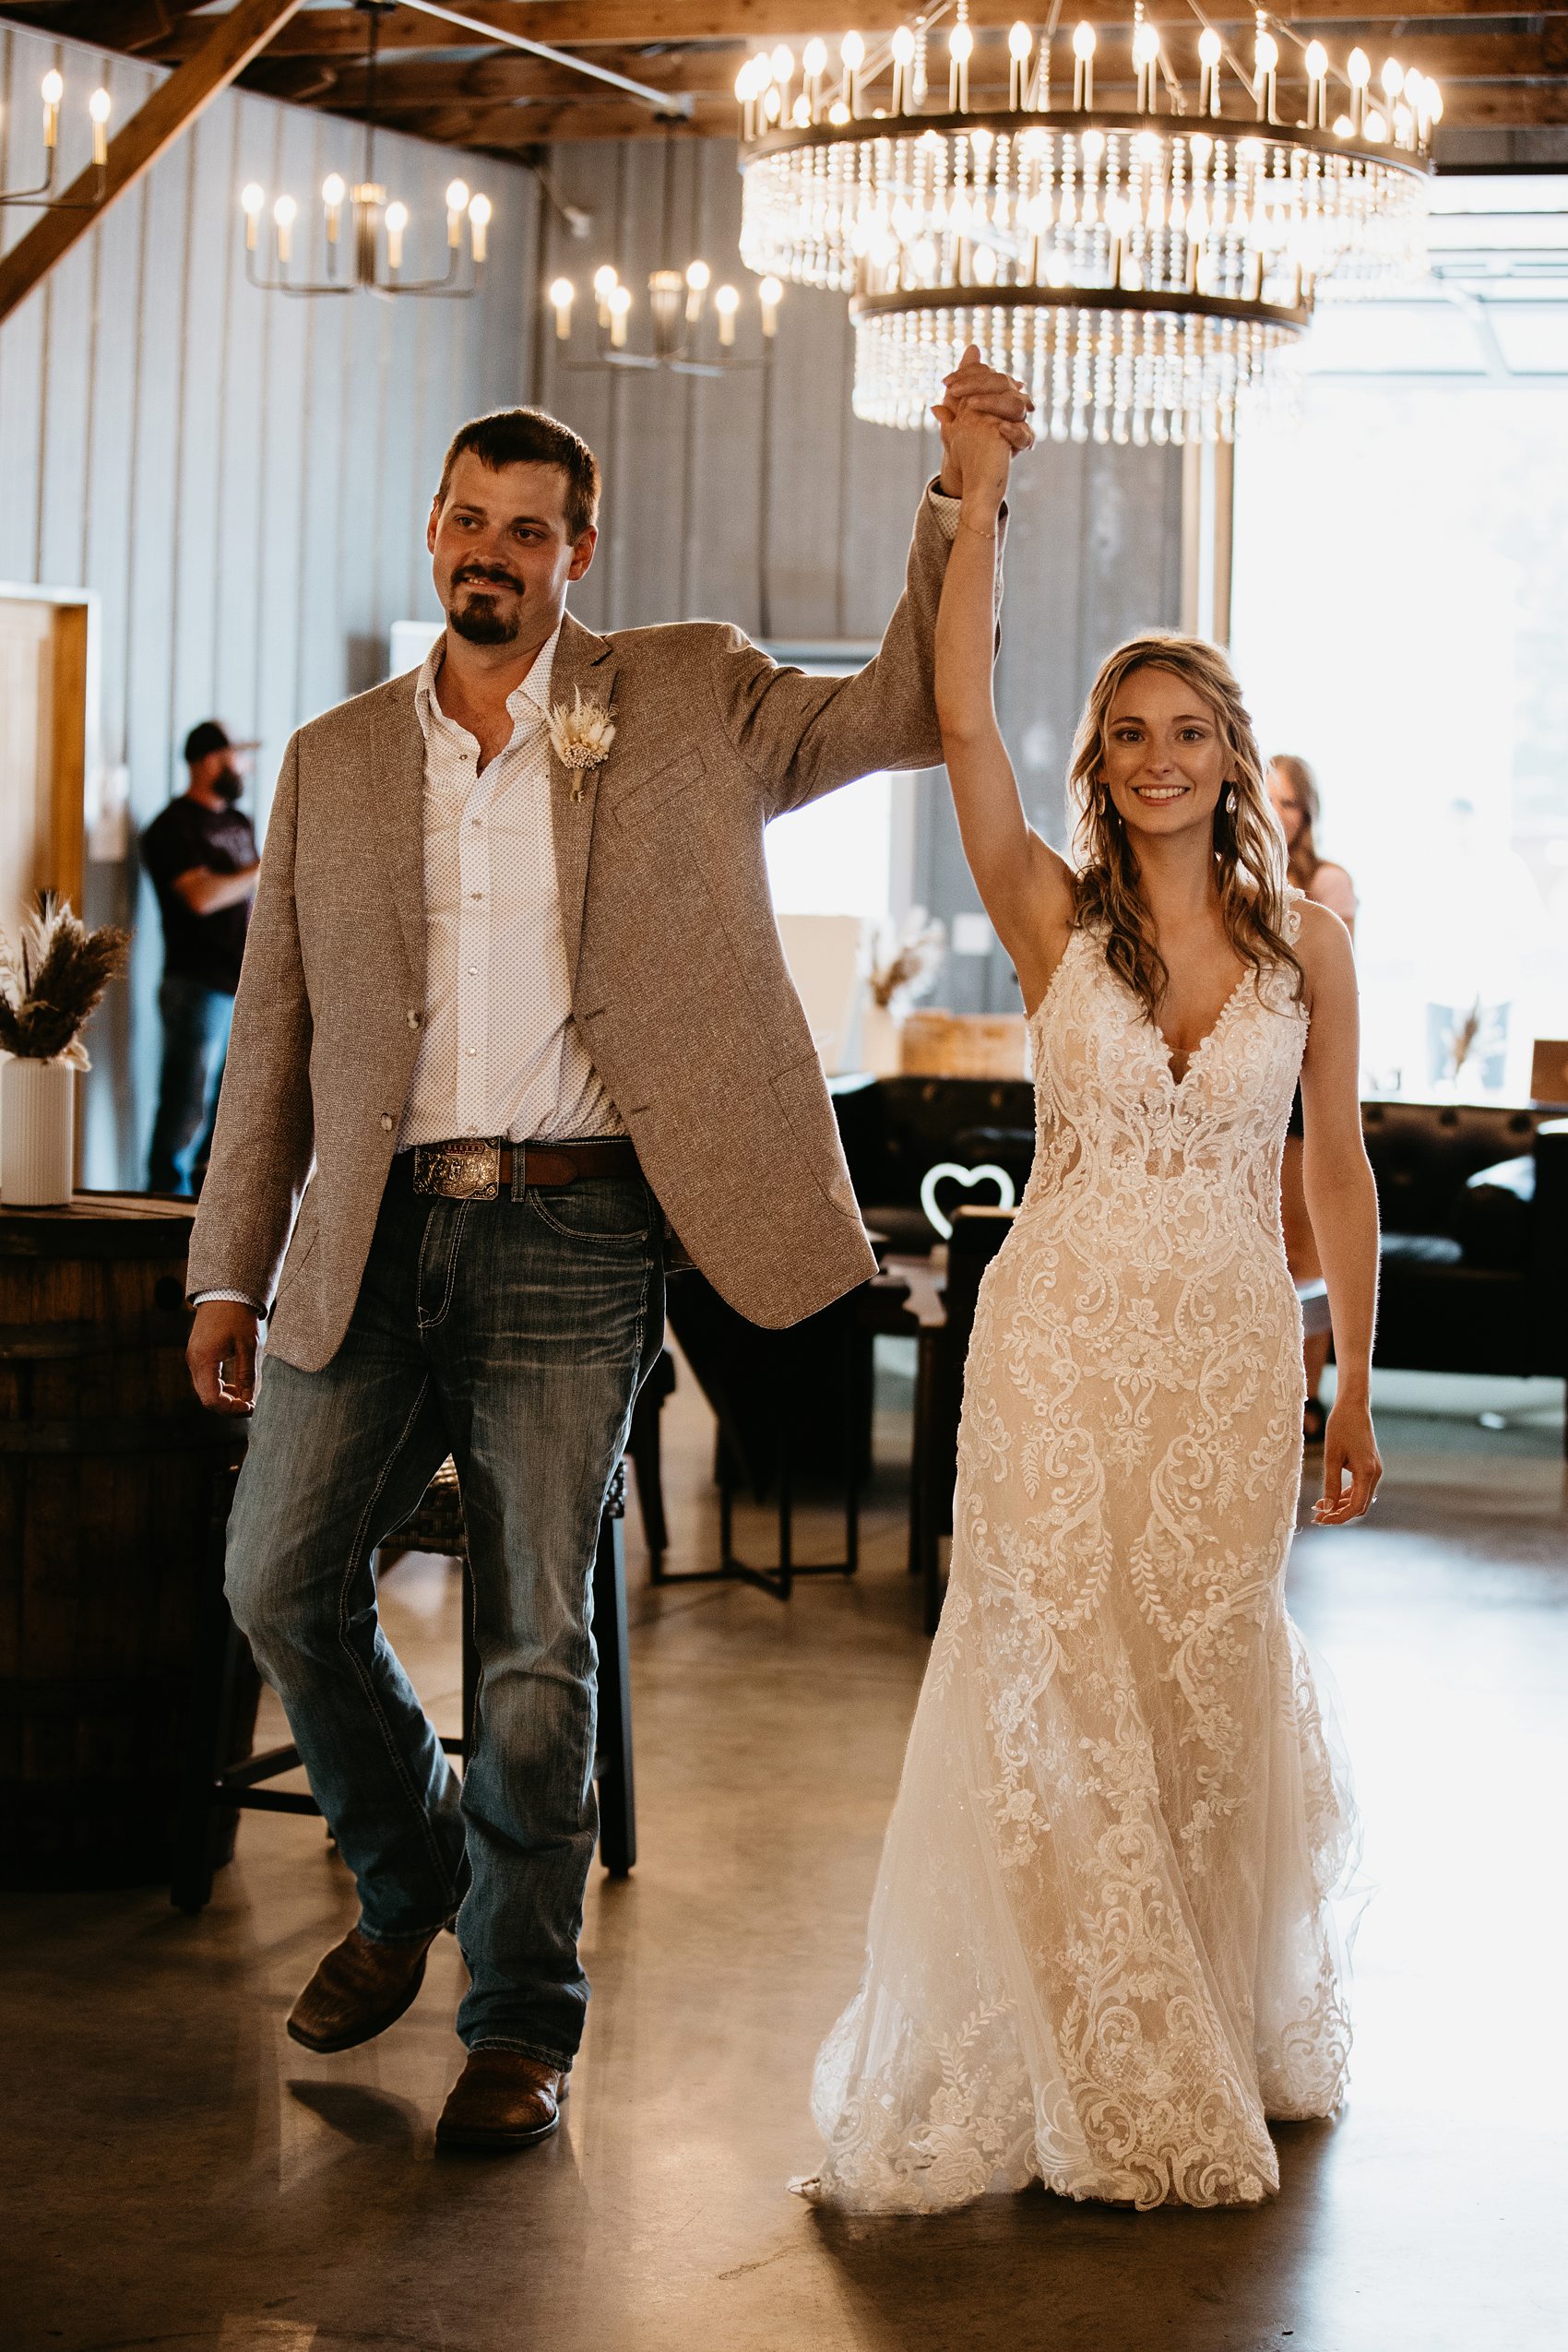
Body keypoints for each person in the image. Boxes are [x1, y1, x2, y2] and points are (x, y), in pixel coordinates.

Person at [183, 369, 1035, 2155]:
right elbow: (270, 1045)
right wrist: (223, 1273)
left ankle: (515, 2018)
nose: (491, 553)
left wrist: (961, 495)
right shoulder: (335, 764)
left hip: (579, 1231)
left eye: (528, 529)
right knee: (273, 1576)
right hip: (367, 1235)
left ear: (582, 552)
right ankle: (406, 1868)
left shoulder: (682, 694)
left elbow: (895, 707)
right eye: (466, 520)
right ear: (433, 531)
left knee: (530, 1642)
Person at [799, 406, 1382, 2215]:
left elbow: (1336, 1170)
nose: (1153, 758)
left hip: (1221, 1355)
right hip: (1051, 1347)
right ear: (1103, 760)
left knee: (1194, 1681)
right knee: (1048, 1677)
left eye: (1184, 732)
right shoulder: (1050, 919)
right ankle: (1088, 2044)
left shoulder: (1308, 954)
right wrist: (976, 493)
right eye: (1126, 733)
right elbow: (960, 717)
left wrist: (1351, 1382)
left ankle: (1201, 2001)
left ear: (1234, 760)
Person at [1266, 754, 1358, 1443]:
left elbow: (1315, 973)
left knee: (1305, 1248)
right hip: (1252, 1076)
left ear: (1308, 813)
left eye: (1288, 803)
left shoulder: (1324, 883)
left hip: (1302, 1078)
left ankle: (1307, 1396)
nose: (1276, 813)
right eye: (1265, 799)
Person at [140, 721, 261, 1194]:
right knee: (185, 1104)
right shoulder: (173, 827)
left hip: (241, 983)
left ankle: (204, 1205)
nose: (243, 767)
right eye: (236, 756)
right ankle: (162, 1202)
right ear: (211, 759)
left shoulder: (238, 821)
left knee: (225, 1110)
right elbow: (202, 897)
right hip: (196, 985)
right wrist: (263, 865)